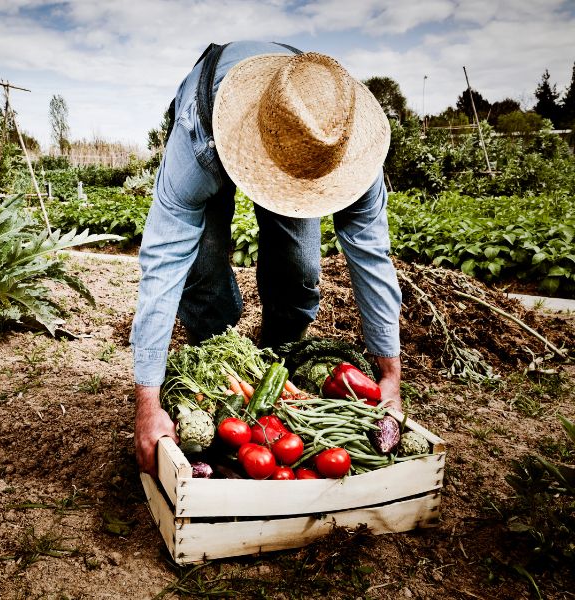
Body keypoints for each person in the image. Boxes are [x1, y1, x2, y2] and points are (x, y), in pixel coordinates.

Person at [131, 41, 403, 475]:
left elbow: (371, 255)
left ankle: (276, 363)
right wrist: (147, 401)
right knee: (202, 271)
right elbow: (164, 259)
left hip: (300, 139)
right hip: (214, 120)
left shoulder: (340, 142)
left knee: (299, 269)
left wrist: (390, 375)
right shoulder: (197, 140)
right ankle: (216, 368)